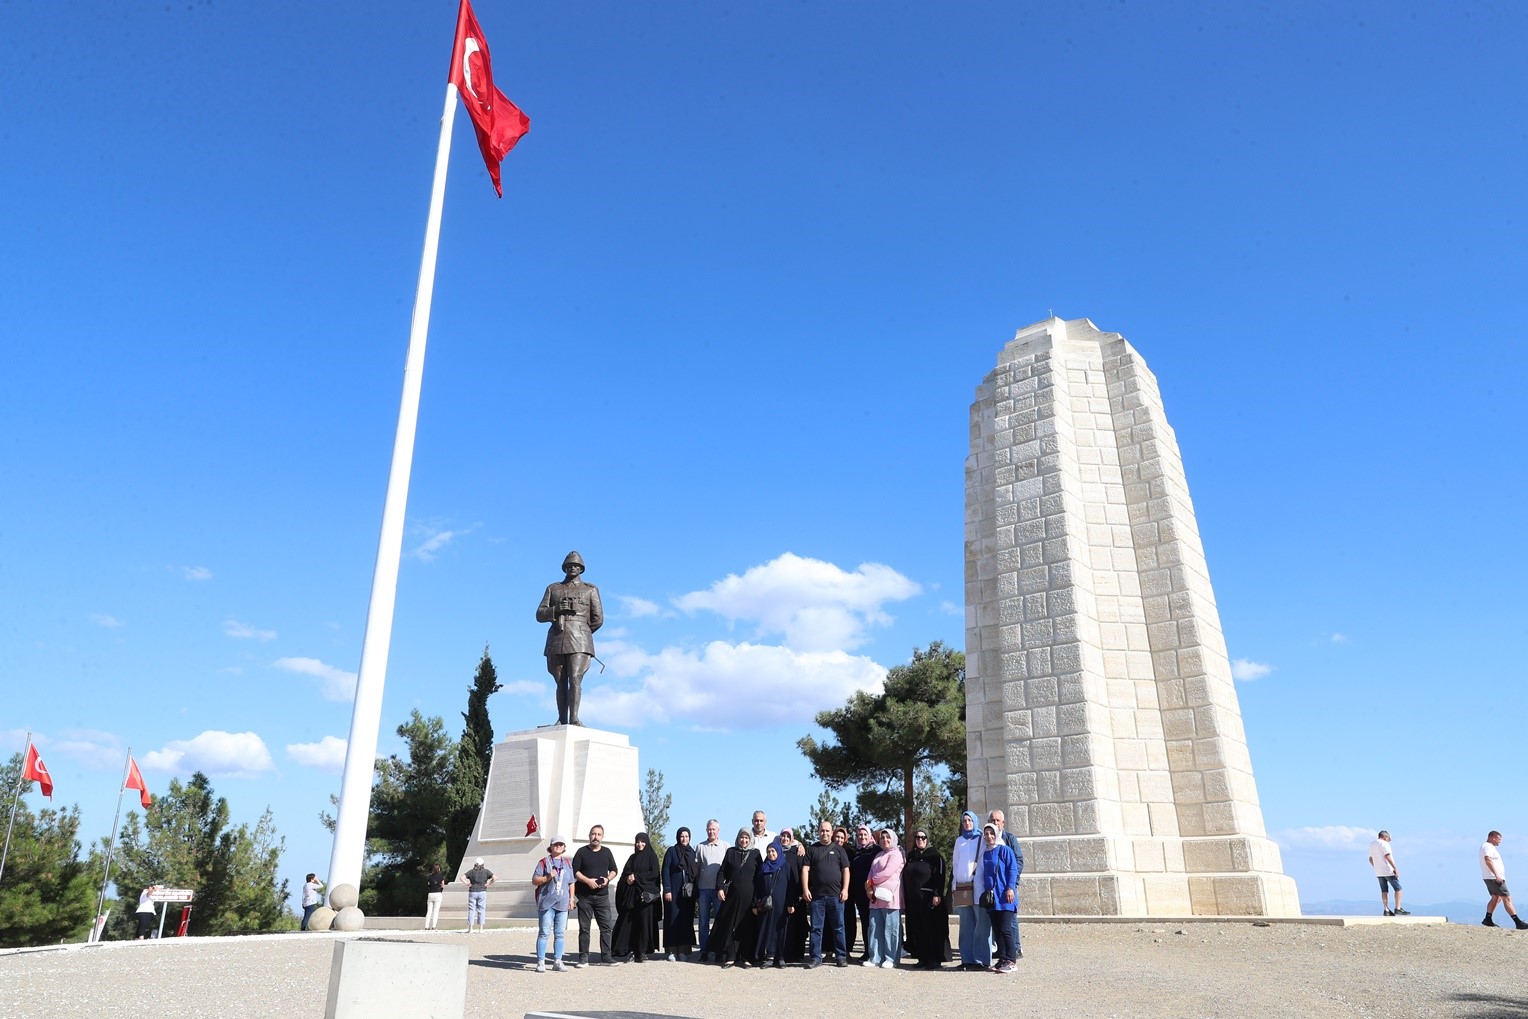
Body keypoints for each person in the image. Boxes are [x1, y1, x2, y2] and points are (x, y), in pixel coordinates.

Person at [535, 550, 604, 726]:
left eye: (576, 565)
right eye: (569, 565)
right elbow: (539, 614)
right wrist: (556, 609)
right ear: (564, 567)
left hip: (580, 639)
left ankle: (574, 718)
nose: (572, 567)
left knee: (575, 677)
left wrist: (583, 632)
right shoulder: (553, 589)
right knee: (560, 681)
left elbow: (598, 619)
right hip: (557, 638)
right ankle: (561, 719)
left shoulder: (590, 590)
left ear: (581, 569)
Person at [801, 819, 850, 968]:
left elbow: (846, 870)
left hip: (836, 895)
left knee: (839, 927)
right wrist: (805, 889)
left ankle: (841, 957)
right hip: (817, 896)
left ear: (831, 832)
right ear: (818, 832)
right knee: (816, 928)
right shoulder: (812, 849)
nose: (825, 833)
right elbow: (805, 870)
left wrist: (845, 889)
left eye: (827, 831)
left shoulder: (840, 850)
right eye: (822, 830)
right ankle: (815, 958)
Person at [708, 829, 759, 967]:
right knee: (730, 925)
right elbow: (722, 871)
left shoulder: (755, 853)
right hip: (732, 896)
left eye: (747, 838)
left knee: (747, 926)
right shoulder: (731, 852)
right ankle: (730, 956)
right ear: (738, 838)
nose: (744, 840)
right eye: (742, 837)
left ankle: (746, 957)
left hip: (749, 897)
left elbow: (760, 876)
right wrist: (719, 888)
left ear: (750, 840)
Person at [903, 827, 951, 968]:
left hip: (930, 899)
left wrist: (937, 894)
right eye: (917, 837)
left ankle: (934, 959)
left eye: (923, 837)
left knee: (932, 929)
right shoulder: (911, 856)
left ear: (928, 839)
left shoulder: (935, 856)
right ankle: (922, 958)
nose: (920, 840)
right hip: (914, 899)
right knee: (918, 929)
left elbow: (940, 875)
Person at [573, 825, 620, 965]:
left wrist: (607, 879)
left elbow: (614, 870)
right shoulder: (581, 852)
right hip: (584, 897)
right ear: (589, 836)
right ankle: (583, 958)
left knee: (606, 928)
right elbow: (574, 871)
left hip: (602, 897)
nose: (596, 837)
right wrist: (587, 881)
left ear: (602, 837)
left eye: (599, 834)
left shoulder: (607, 852)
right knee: (584, 929)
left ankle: (606, 957)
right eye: (593, 834)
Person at [950, 810, 991, 971]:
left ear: (975, 822)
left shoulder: (981, 838)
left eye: (970, 820)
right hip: (962, 887)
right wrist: (954, 885)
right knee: (966, 926)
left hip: (978, 886)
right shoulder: (959, 840)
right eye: (964, 821)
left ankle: (981, 960)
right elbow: (955, 863)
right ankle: (967, 959)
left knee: (981, 925)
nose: (967, 823)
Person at [614, 832, 662, 962]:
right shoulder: (632, 858)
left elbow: (654, 874)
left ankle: (642, 952)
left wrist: (637, 877)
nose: (640, 844)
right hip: (632, 897)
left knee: (644, 924)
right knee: (630, 922)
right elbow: (624, 874)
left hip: (645, 898)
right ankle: (628, 949)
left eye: (642, 842)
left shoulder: (652, 856)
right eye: (637, 842)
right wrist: (628, 879)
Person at [751, 839, 799, 968]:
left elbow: (791, 887)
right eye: (769, 851)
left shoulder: (786, 867)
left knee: (781, 930)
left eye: (773, 851)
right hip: (766, 906)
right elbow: (757, 888)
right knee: (767, 930)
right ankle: (769, 956)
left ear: (778, 851)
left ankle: (781, 956)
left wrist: (791, 904)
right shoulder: (763, 868)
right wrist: (755, 904)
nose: (771, 854)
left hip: (782, 905)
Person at [981, 823, 1021, 973]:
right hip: (992, 898)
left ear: (997, 834)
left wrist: (1011, 887)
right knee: (997, 930)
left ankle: (1011, 960)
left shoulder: (1005, 850)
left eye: (991, 833)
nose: (989, 836)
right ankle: (1003, 958)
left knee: (1005, 929)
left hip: (1005, 896)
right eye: (986, 834)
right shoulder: (986, 853)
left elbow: (1013, 869)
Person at [531, 837, 575, 972]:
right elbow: (534, 880)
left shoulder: (567, 863)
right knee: (544, 932)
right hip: (547, 903)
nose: (558, 846)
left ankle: (557, 960)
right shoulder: (544, 862)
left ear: (564, 847)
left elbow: (571, 882)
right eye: (556, 844)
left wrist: (572, 899)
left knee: (560, 933)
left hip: (562, 903)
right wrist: (547, 877)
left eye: (561, 844)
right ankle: (541, 961)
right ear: (551, 846)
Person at [864, 829, 904, 969]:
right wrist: (868, 885)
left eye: (888, 837)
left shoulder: (896, 854)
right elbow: (871, 871)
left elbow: (887, 872)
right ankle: (875, 957)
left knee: (891, 928)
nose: (885, 840)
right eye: (882, 838)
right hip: (876, 897)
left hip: (890, 897)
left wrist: (870, 882)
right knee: (875, 927)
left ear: (893, 838)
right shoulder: (879, 854)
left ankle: (891, 958)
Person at [662, 826, 699, 960]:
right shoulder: (672, 851)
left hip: (687, 893)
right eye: (682, 836)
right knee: (672, 919)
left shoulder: (692, 852)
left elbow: (695, 872)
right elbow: (665, 871)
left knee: (685, 920)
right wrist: (667, 889)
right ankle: (672, 950)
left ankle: (683, 950)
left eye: (687, 836)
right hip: (673, 890)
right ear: (678, 837)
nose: (684, 839)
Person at [694, 819, 727, 960]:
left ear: (718, 830)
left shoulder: (726, 846)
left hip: (719, 890)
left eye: (714, 829)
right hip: (703, 890)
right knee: (703, 922)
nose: (711, 831)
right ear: (706, 830)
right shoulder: (700, 847)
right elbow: (696, 869)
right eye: (709, 829)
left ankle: (719, 950)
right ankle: (704, 950)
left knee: (721, 921)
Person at [1481, 831, 1528, 929]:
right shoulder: (1488, 846)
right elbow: (1487, 860)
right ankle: (1518, 922)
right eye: (1499, 839)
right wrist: (1497, 875)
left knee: (1496, 898)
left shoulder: (1487, 847)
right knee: (1507, 898)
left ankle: (1487, 919)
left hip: (1490, 877)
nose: (1500, 842)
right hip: (1494, 878)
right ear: (1492, 838)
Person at [846, 823, 876, 960]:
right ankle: (867, 951)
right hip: (859, 894)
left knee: (874, 923)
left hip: (873, 893)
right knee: (865, 923)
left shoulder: (876, 850)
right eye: (859, 835)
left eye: (865, 834)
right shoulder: (856, 852)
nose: (862, 837)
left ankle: (876, 952)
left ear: (869, 835)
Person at [1367, 831, 1408, 917]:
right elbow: (1387, 856)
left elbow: (1370, 859)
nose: (1390, 840)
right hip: (1388, 870)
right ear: (1385, 837)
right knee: (1398, 889)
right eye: (1389, 838)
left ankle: (1386, 909)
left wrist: (1377, 867)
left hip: (1379, 872)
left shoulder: (1372, 844)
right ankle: (1398, 908)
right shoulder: (1384, 844)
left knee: (1384, 891)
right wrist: (1395, 868)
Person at [461, 857, 494, 933]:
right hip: (482, 891)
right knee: (481, 909)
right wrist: (489, 883)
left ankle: (470, 928)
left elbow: (462, 878)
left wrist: (467, 883)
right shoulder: (486, 871)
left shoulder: (471, 872)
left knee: (471, 910)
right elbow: (495, 878)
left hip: (472, 891)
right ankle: (481, 928)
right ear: (483, 864)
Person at [424, 864, 446, 930]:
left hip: (430, 894)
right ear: (439, 869)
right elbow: (443, 885)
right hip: (438, 893)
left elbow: (428, 885)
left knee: (429, 911)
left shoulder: (429, 877)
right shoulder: (441, 877)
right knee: (435, 911)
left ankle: (426, 926)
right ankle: (434, 926)